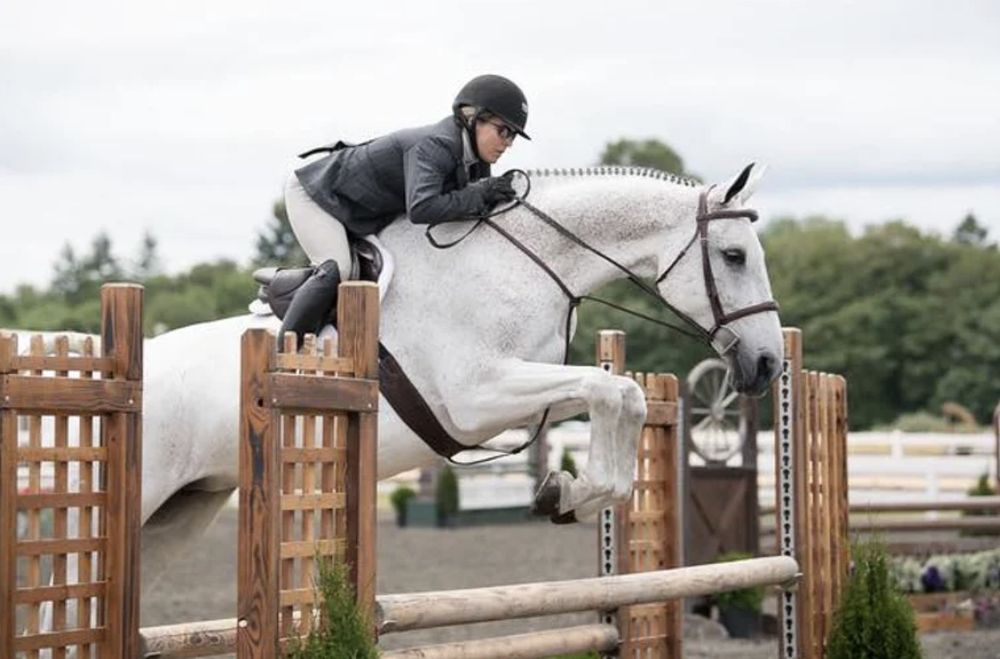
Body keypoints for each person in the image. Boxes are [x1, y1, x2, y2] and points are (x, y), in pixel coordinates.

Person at [275, 74, 529, 343]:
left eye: (513, 136)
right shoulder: (436, 144)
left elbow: (468, 207)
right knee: (339, 267)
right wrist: (481, 192)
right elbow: (423, 207)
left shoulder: (474, 158)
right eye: (504, 131)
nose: (508, 143)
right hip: (317, 195)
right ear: (472, 117)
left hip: (362, 210)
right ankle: (285, 354)